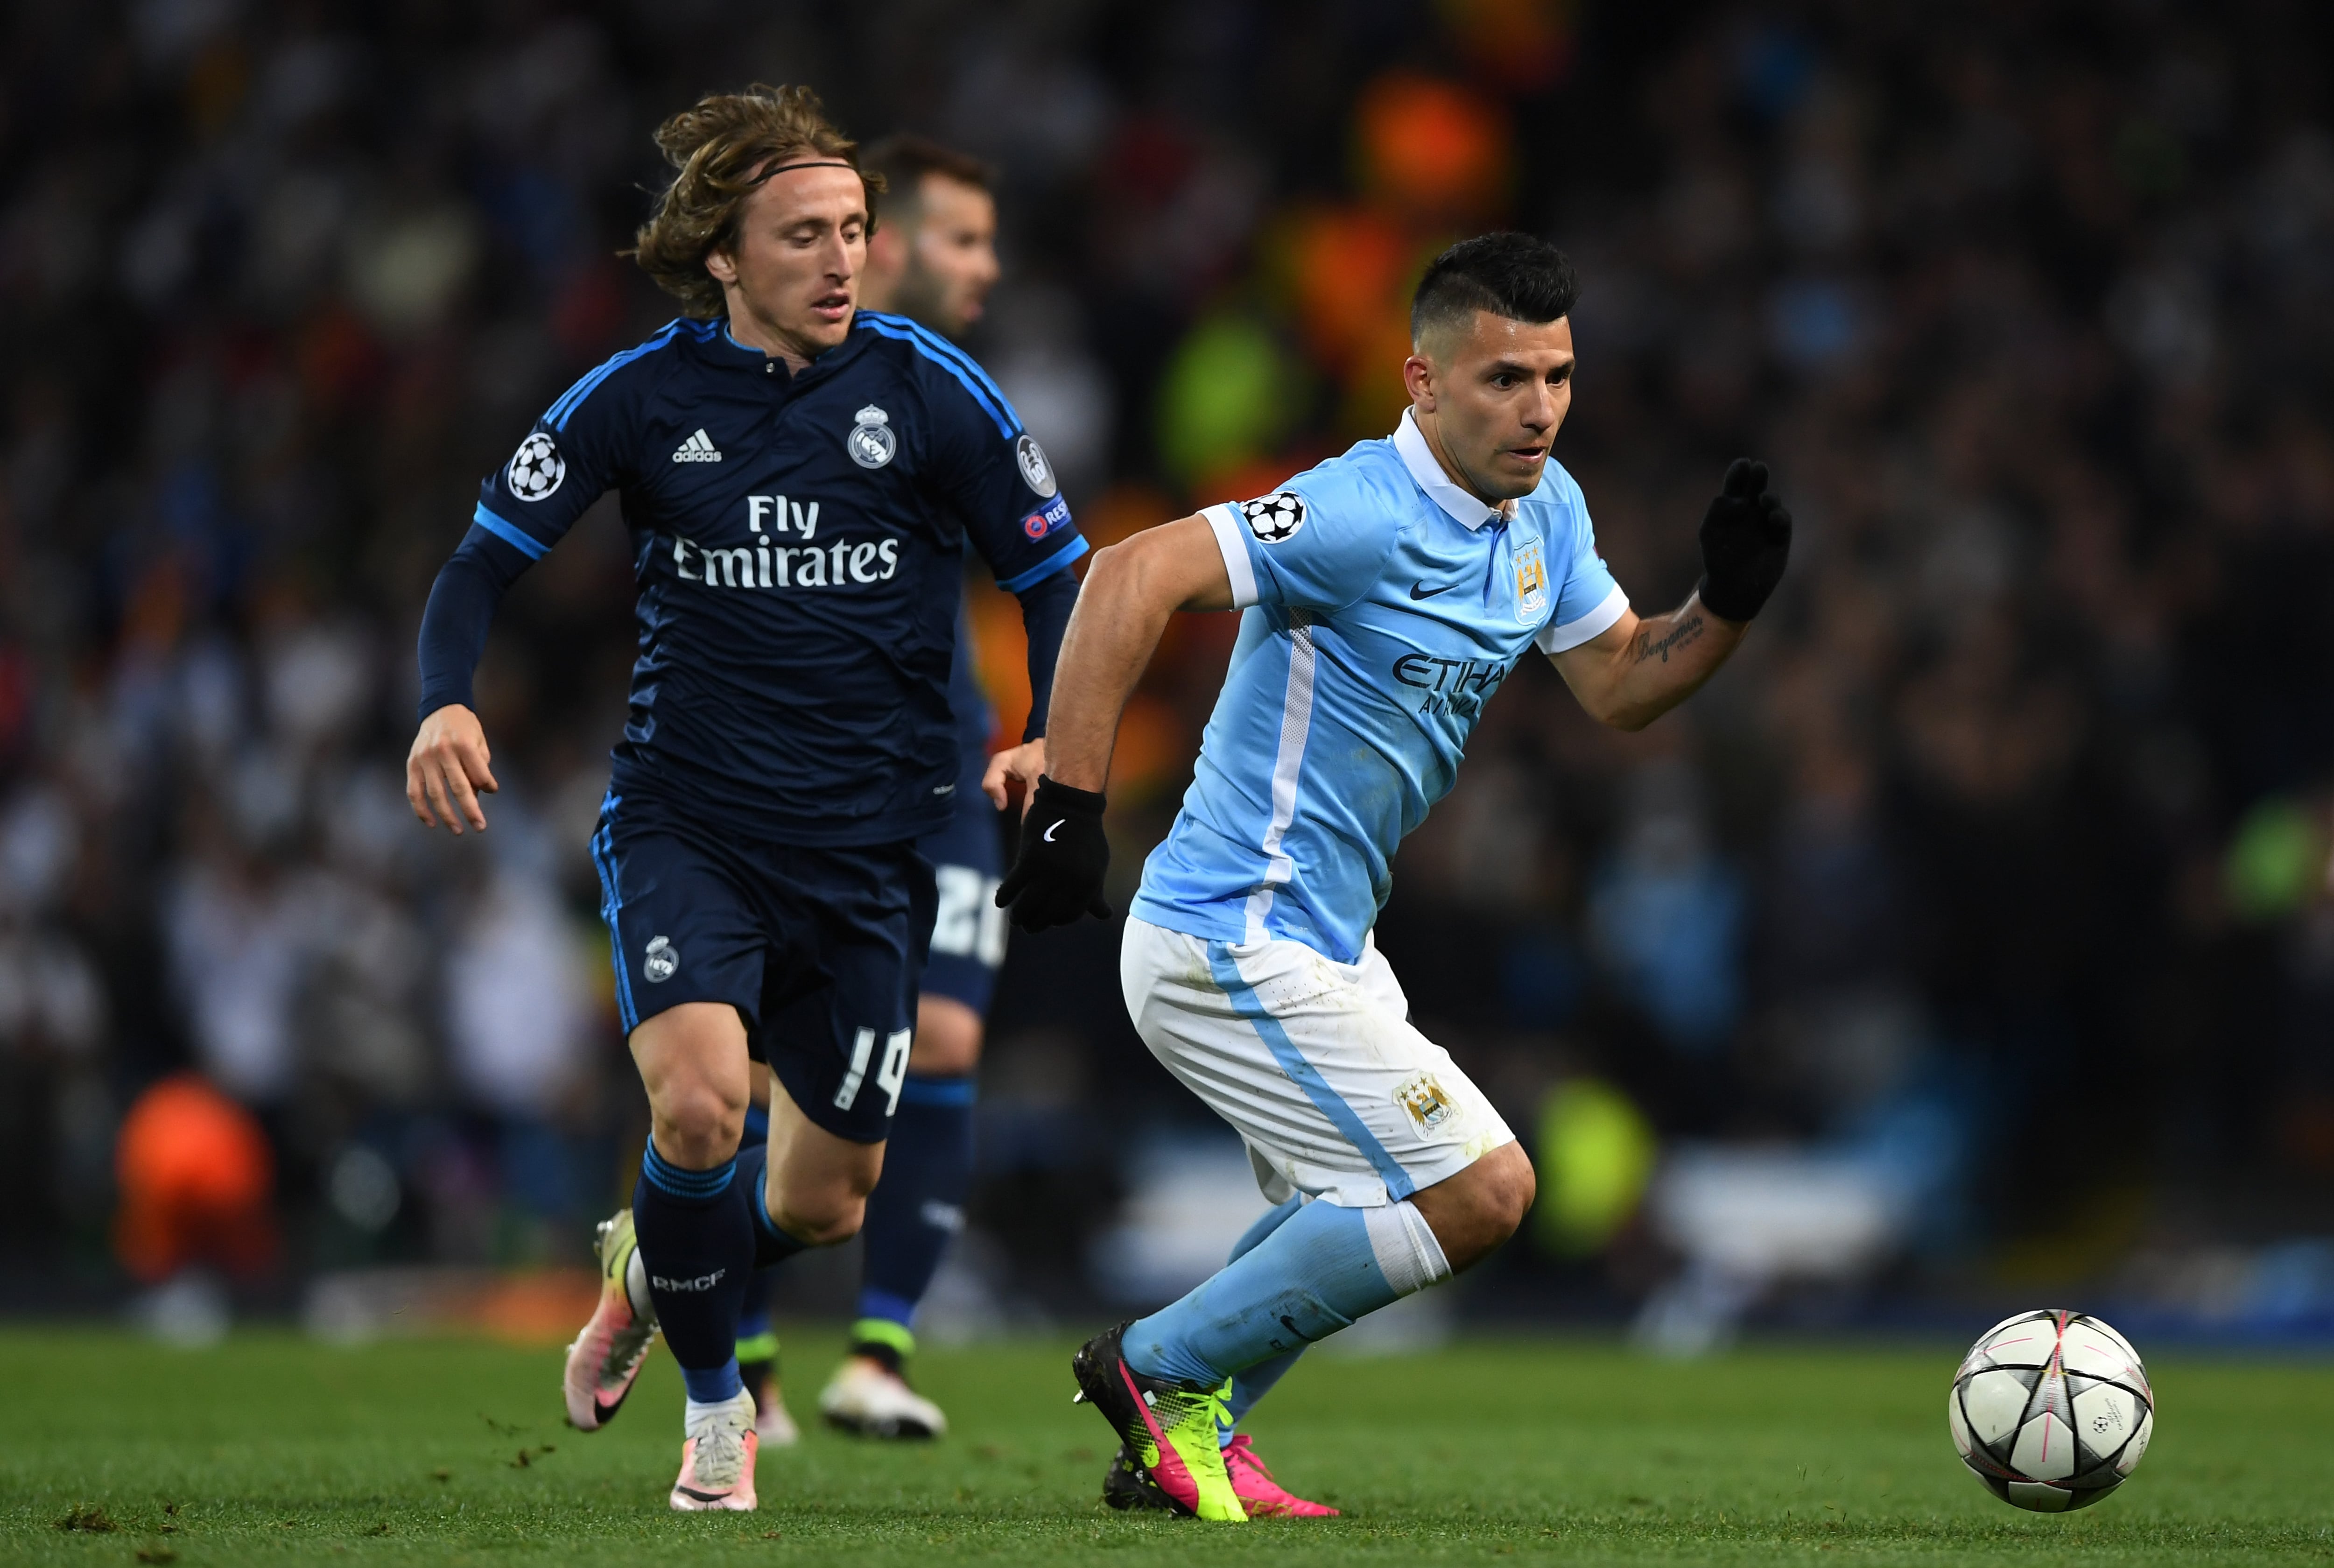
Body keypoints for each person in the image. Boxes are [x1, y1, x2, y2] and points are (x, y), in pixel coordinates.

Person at [996, 232, 1791, 1521]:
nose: (1538, 409)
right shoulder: (1357, 512)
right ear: (1422, 383)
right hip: (1225, 935)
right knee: (1481, 1190)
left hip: (1325, 942)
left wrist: (1730, 606)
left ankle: (1187, 1443)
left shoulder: (1549, 511)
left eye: (1559, 377)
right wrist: (1071, 812)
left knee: (1349, 1206)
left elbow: (1622, 681)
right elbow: (1129, 576)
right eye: (1503, 380)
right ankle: (1152, 1369)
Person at [404, 85, 1085, 1513]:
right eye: (803, 237)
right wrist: (446, 698)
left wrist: (1047, 733)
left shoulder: (932, 390)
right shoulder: (639, 396)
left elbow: (1054, 578)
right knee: (705, 1112)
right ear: (723, 256)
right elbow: (479, 564)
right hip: (687, 825)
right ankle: (722, 1420)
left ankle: (649, 1273)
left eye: (853, 231)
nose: (842, 261)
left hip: (872, 851)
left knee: (825, 1203)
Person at [736, 132, 1010, 1445]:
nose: (986, 268)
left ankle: (881, 1351)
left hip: (941, 766)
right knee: (746, 1075)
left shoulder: (952, 392)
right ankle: (733, 1358)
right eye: (963, 240)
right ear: (885, 245)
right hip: (781, 773)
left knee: (944, 1041)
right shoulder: (756, 381)